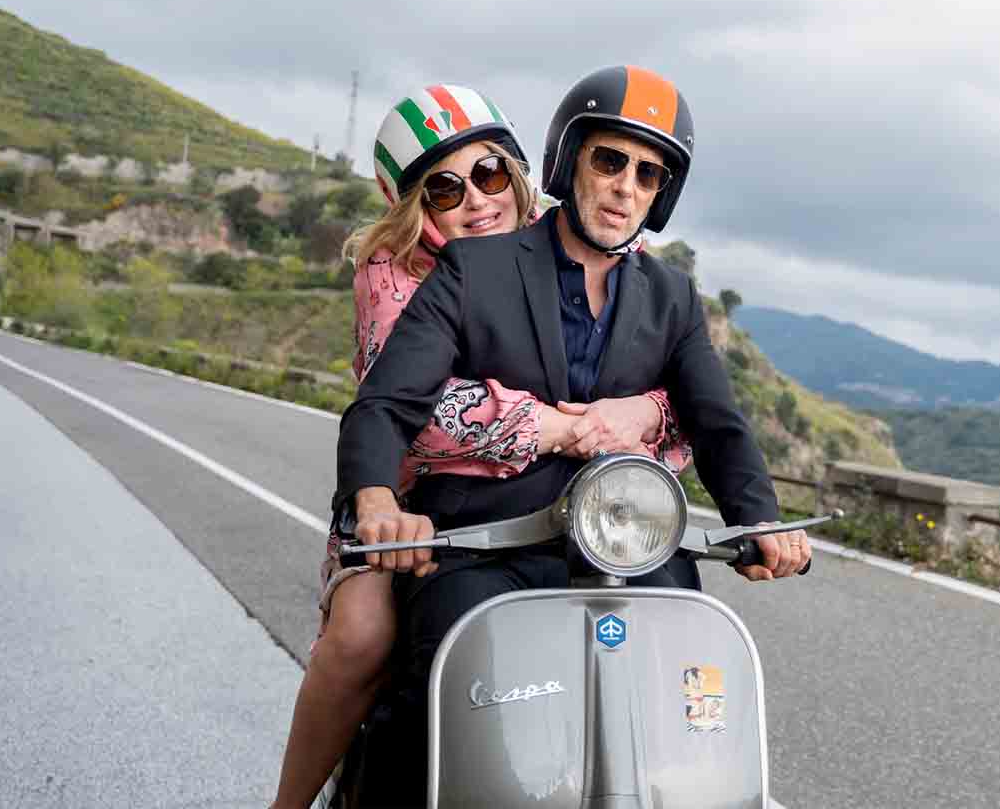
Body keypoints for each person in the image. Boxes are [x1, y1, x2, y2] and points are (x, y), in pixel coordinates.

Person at [335, 65, 813, 708]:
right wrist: (375, 502)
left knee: (691, 694)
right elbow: (387, 403)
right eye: (610, 161)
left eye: (648, 175)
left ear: (661, 196)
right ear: (568, 160)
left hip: (629, 543)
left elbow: (717, 421)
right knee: (446, 692)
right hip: (481, 549)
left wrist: (760, 521)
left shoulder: (671, 296)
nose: (625, 188)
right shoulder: (473, 267)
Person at [270, 84, 690, 809]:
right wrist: (557, 425)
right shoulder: (390, 272)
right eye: (444, 188)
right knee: (363, 638)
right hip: (409, 501)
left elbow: (677, 376)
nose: (477, 200)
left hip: (573, 504)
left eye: (490, 173)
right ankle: (290, 803)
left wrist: (638, 411)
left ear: (521, 170)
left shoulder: (581, 241)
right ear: (412, 207)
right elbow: (418, 411)